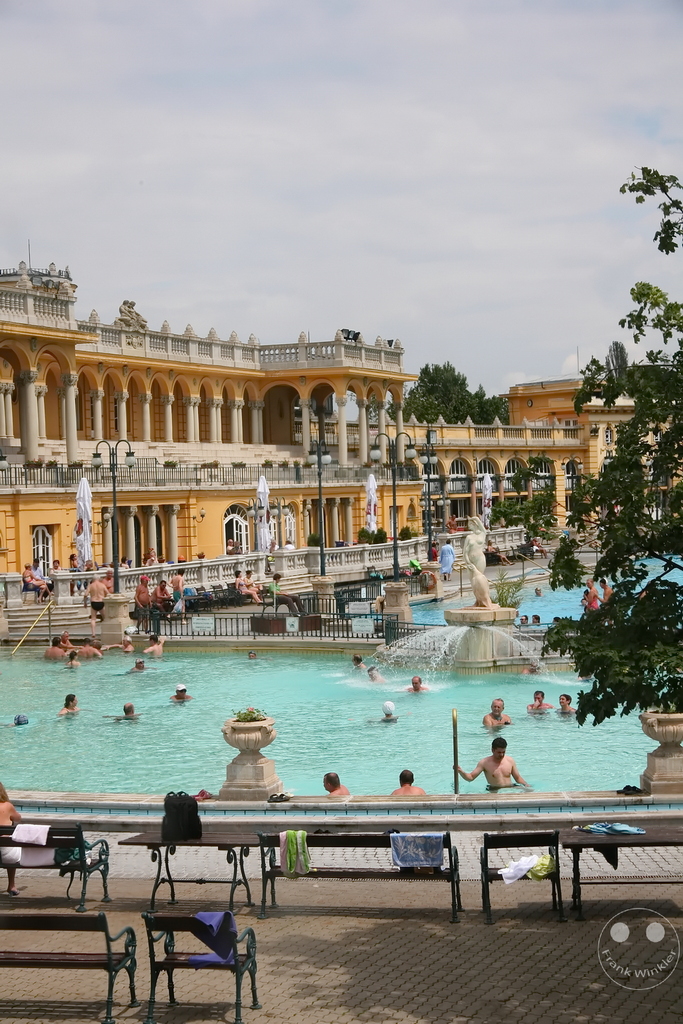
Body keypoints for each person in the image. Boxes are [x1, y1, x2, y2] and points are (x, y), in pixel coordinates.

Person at [458, 737, 530, 790]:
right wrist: (461, 772)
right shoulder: (484, 763)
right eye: (499, 752)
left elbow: (518, 778)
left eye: (503, 752)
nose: (501, 755)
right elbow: (471, 777)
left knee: (529, 791)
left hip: (510, 787)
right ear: (492, 750)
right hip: (494, 790)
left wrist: (526, 785)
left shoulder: (510, 760)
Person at [0, 781, 21, 895]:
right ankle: (11, 886)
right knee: (10, 845)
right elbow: (18, 818)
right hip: (7, 855)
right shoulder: (7, 806)